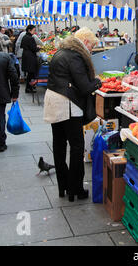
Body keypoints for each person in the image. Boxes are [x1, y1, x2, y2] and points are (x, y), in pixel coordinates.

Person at [43, 27, 102, 202]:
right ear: (85, 42)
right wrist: (98, 82)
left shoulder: (62, 51)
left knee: (59, 145)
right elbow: (84, 87)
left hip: (53, 101)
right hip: (68, 104)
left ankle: (64, 187)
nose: (91, 50)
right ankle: (75, 188)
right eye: (91, 46)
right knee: (77, 146)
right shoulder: (75, 56)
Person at [21, 25, 41, 93]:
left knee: (29, 74)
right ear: (29, 30)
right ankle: (29, 88)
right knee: (31, 73)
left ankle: (28, 87)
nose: (34, 32)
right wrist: (38, 47)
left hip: (26, 56)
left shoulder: (25, 37)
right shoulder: (30, 38)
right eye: (34, 30)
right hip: (30, 57)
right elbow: (34, 49)